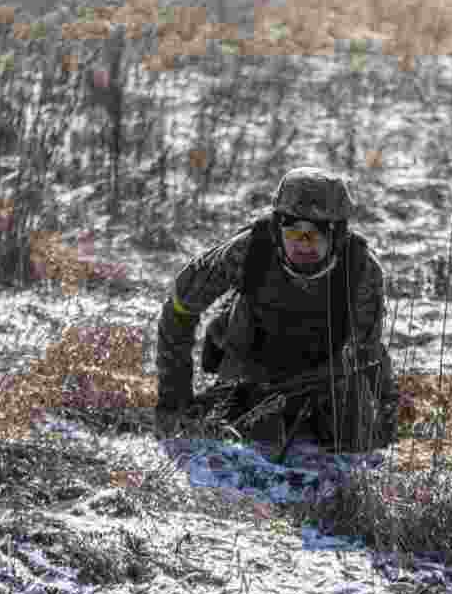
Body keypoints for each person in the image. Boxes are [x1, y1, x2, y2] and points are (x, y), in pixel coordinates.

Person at [155, 167, 399, 453]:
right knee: (242, 444)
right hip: (250, 375)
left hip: (325, 378)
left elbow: (365, 354)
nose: (302, 244)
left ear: (338, 235)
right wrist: (174, 402)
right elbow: (179, 309)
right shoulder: (247, 250)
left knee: (357, 441)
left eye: (315, 233)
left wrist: (379, 417)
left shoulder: (362, 271)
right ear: (276, 228)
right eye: (293, 231)